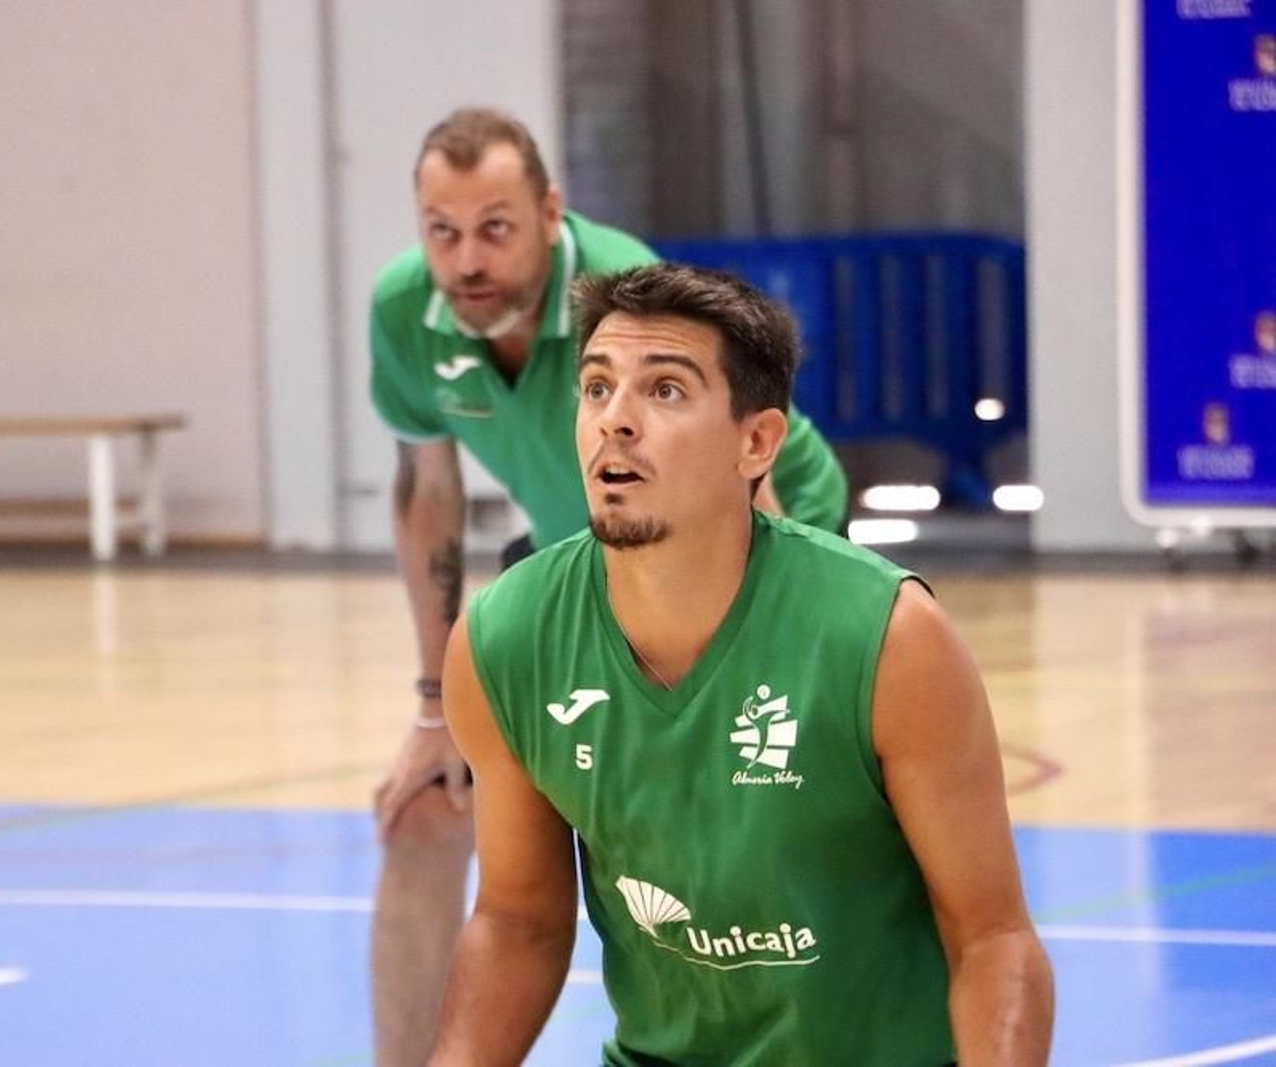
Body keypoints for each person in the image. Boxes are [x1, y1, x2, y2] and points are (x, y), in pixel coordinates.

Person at [431, 263, 1054, 1064]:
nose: (615, 420)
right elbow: (519, 922)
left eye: (664, 390)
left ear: (755, 442)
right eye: (597, 388)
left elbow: (993, 938)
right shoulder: (506, 637)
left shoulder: (888, 637)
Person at [366, 108, 849, 1065]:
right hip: (585, 557)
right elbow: (428, 498)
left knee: (752, 834)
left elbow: (740, 487)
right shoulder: (406, 311)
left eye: (495, 228)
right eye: (442, 232)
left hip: (758, 533)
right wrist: (431, 709)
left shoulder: (620, 304)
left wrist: (760, 656)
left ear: (551, 214)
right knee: (426, 807)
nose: (467, 260)